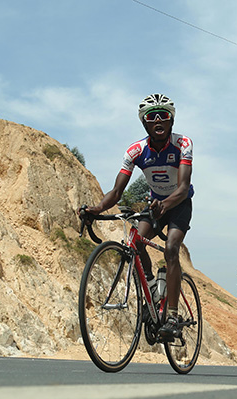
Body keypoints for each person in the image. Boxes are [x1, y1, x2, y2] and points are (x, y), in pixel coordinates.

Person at [80, 94, 193, 340]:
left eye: (164, 115)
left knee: (171, 248)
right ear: (144, 123)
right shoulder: (135, 151)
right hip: (155, 206)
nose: (158, 120)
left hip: (179, 204)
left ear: (172, 120)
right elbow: (117, 191)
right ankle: (153, 288)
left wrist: (165, 203)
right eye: (151, 117)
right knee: (136, 242)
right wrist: (97, 208)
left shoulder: (183, 144)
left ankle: (172, 314)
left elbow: (183, 188)